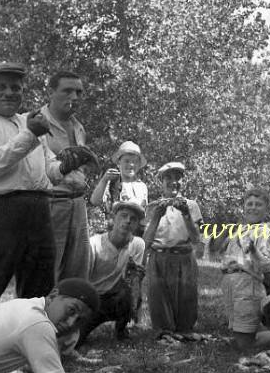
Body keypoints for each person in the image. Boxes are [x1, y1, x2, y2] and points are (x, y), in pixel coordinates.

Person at [0, 63, 91, 306]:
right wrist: (29, 134)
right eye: (2, 87)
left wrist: (67, 164)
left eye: (16, 87)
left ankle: (30, 338)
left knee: (39, 288)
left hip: (39, 211)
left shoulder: (27, 121)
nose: (10, 92)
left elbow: (47, 168)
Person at [0, 278, 99, 373]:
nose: (70, 323)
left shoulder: (26, 306)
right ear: (53, 296)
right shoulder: (37, 324)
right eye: (71, 310)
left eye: (79, 321)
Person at [41, 70, 91, 282]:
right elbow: (36, 169)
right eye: (67, 90)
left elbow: (80, 170)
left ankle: (68, 315)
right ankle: (38, 315)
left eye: (78, 92)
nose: (74, 97)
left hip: (78, 204)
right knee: (44, 275)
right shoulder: (35, 123)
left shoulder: (79, 127)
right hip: (50, 205)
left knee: (77, 275)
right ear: (51, 92)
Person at [142, 162, 203, 336]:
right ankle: (163, 332)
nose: (173, 182)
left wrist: (186, 215)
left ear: (183, 181)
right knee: (158, 295)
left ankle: (185, 329)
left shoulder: (191, 205)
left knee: (187, 294)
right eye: (168, 178)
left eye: (177, 177)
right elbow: (145, 241)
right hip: (159, 255)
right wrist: (155, 217)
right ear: (161, 182)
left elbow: (196, 238)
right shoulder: (153, 206)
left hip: (184, 255)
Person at [77, 201, 145, 346]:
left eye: (133, 219)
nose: (127, 221)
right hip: (90, 299)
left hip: (113, 297)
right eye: (123, 216)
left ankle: (122, 329)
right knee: (74, 340)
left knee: (128, 290)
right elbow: (81, 282)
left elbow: (135, 280)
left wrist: (137, 279)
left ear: (137, 225)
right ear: (114, 218)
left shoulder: (137, 245)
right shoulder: (93, 244)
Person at [219, 188, 270, 351]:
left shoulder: (265, 230)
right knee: (241, 326)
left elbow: (266, 265)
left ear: (266, 210)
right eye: (249, 204)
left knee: (243, 344)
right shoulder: (241, 228)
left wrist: (252, 249)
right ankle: (254, 332)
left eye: (258, 205)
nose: (253, 207)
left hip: (248, 284)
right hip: (232, 283)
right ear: (244, 207)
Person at [90, 140, 148, 234]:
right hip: (115, 232)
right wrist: (104, 180)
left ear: (139, 165)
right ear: (119, 163)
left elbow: (144, 212)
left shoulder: (142, 186)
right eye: (127, 161)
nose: (131, 165)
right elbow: (94, 201)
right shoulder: (112, 182)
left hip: (136, 233)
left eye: (135, 162)